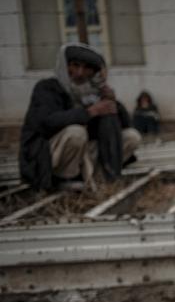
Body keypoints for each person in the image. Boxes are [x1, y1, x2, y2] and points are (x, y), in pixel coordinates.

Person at [19, 43, 141, 191]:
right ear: (65, 66)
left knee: (131, 137)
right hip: (45, 156)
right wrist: (89, 112)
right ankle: (66, 178)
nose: (80, 73)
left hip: (83, 153)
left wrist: (112, 102)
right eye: (75, 65)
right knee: (76, 132)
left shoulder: (93, 93)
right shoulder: (47, 88)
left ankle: (100, 177)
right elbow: (47, 122)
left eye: (87, 68)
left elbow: (125, 126)